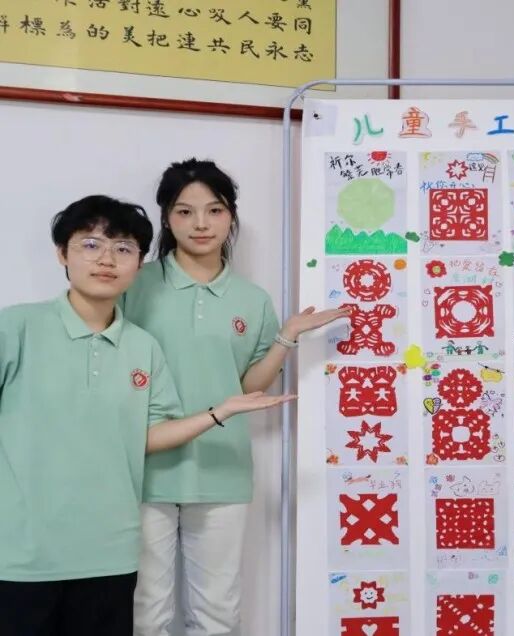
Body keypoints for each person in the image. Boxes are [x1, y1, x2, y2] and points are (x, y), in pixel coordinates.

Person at [0, 195, 290, 636]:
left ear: (139, 263)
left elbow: (150, 434)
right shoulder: (16, 328)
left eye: (123, 248)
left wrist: (220, 411)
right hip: (22, 554)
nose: (107, 259)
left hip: (110, 552)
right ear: (62, 253)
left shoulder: (142, 347)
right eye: (91, 245)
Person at [124, 159, 349, 636]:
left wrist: (287, 336)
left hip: (222, 467)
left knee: (218, 614)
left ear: (231, 216)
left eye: (215, 210)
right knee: (146, 613)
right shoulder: (134, 284)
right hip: (141, 467)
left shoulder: (252, 299)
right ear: (166, 218)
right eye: (185, 211)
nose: (201, 224)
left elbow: (249, 387)